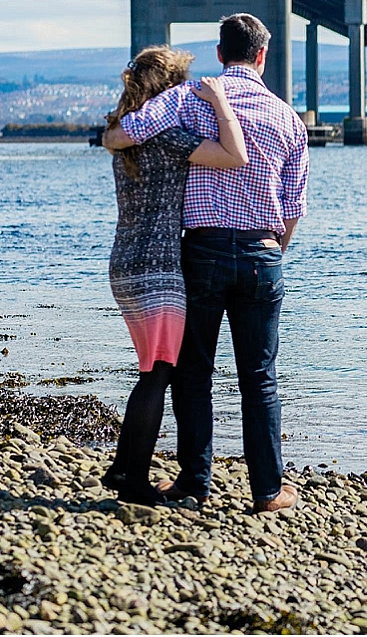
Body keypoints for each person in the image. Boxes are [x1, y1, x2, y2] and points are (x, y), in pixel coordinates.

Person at [103, 13, 310, 513]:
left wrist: (110, 139)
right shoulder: (288, 117)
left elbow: (127, 130)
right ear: (263, 55)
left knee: (193, 373)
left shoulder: (186, 98)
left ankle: (195, 483)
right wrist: (271, 253)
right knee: (259, 377)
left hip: (200, 251)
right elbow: (295, 206)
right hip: (262, 252)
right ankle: (267, 490)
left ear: (220, 53)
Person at [96, 46, 252, 506]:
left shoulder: (121, 133)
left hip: (124, 263)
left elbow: (114, 137)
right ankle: (132, 480)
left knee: (151, 370)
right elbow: (235, 156)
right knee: (157, 373)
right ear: (168, 89)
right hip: (159, 269)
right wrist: (221, 104)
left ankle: (123, 469)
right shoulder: (170, 138)